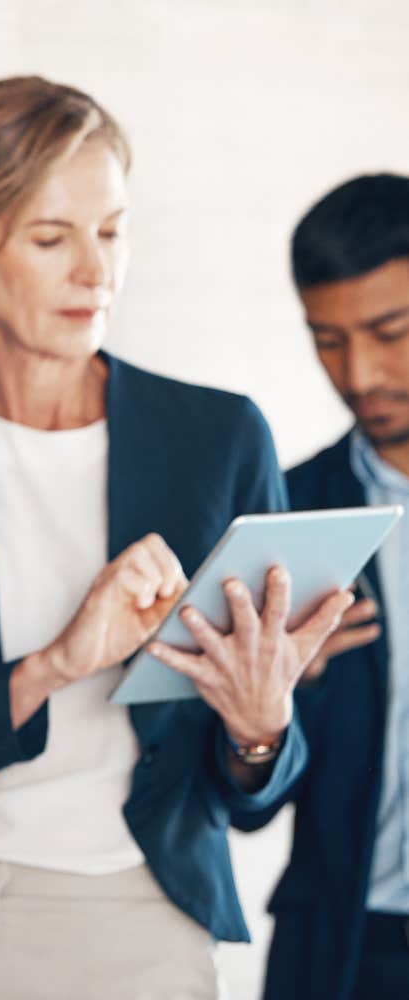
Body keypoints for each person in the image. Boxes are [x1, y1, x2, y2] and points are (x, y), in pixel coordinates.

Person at [0, 75, 352, 1000]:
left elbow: (249, 796)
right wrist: (58, 661)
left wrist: (261, 728)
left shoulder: (218, 439)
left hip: (138, 916)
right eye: (53, 239)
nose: (96, 272)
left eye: (111, 231)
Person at [256, 174, 409, 1000]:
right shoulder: (291, 515)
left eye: (392, 331)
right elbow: (239, 799)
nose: (363, 373)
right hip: (349, 953)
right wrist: (274, 700)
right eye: (329, 339)